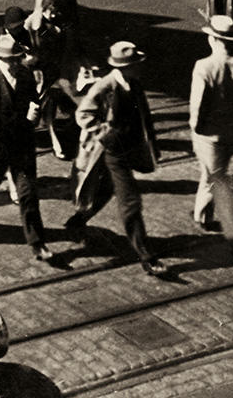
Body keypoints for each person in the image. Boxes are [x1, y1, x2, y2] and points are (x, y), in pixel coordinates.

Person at [65, 41, 165, 276]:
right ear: (124, 67)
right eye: (135, 65)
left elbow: (143, 117)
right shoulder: (105, 85)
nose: (139, 68)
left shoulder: (134, 84)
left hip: (129, 149)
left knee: (106, 190)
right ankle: (146, 255)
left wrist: (150, 146)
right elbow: (83, 113)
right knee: (130, 200)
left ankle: (78, 221)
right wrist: (105, 134)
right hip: (113, 153)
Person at [0, 34, 53, 262]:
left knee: (28, 193)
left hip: (22, 142)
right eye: (9, 61)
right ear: (0, 60)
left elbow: (35, 103)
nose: (13, 65)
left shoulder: (26, 76)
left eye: (16, 60)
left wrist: (35, 115)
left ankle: (37, 242)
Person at [189, 14, 233, 260]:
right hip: (230, 133)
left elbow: (198, 105)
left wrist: (196, 128)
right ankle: (202, 215)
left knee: (215, 180)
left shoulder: (203, 67)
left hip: (208, 135)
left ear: (214, 39)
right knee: (213, 174)